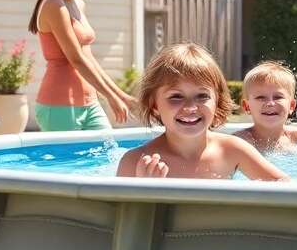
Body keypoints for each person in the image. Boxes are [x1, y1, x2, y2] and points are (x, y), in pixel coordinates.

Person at [118, 44, 287, 181]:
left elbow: (284, 186)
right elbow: (124, 219)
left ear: (217, 101)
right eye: (176, 97)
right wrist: (144, 190)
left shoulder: (232, 150)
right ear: (154, 105)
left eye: (202, 96)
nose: (191, 107)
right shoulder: (134, 162)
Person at [29, 0, 135, 131]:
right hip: (59, 106)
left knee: (107, 155)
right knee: (66, 162)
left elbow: (89, 59)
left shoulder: (78, 4)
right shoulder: (54, 5)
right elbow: (76, 59)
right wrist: (110, 97)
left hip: (90, 103)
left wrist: (121, 95)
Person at [233, 61, 297, 153]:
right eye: (260, 97)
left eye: (278, 97)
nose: (270, 103)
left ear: (291, 106)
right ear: (247, 107)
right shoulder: (239, 142)